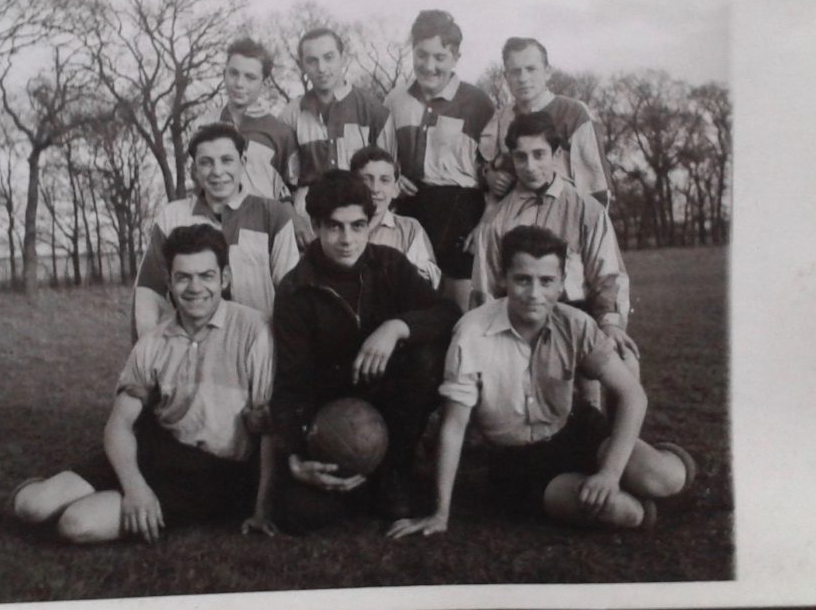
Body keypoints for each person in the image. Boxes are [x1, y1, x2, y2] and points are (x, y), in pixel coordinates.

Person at [388, 225, 695, 538]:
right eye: (523, 280)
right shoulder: (472, 333)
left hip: (576, 431)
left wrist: (610, 472)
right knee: (623, 512)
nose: (535, 294)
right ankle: (637, 504)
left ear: (561, 283)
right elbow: (453, 427)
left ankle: (663, 467)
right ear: (504, 279)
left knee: (663, 478)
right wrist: (440, 514)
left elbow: (632, 395)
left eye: (546, 281)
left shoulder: (575, 323)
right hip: (519, 462)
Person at [10, 224, 278, 543]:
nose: (195, 288)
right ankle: (11, 500)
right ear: (169, 282)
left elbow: (270, 431)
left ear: (224, 279)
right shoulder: (153, 341)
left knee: (77, 524)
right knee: (32, 506)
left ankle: (92, 501)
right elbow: (119, 425)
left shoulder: (255, 331)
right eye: (184, 277)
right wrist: (135, 487)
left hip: (212, 474)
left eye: (206, 276)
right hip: (155, 450)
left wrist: (262, 510)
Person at [269, 170, 461, 531]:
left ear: (370, 223)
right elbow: (291, 384)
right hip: (333, 414)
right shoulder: (295, 290)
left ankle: (394, 469)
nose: (347, 239)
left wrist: (396, 328)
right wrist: (295, 453)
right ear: (315, 225)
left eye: (358, 226)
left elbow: (447, 313)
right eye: (335, 227)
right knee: (298, 515)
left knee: (425, 356)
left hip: (390, 401)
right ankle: (355, 477)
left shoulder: (389, 264)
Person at [470, 112, 635, 362]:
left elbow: (608, 275)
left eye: (539, 154)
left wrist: (610, 323)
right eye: (521, 157)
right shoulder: (497, 220)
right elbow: (485, 289)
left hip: (579, 319)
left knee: (624, 363)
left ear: (556, 155)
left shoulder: (586, 209)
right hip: (518, 326)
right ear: (512, 159)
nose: (530, 166)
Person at [132, 123, 299, 338]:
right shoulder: (172, 216)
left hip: (257, 346)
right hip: (192, 350)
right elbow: (149, 292)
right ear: (195, 169)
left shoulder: (273, 215)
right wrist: (151, 353)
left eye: (227, 160)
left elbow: (291, 295)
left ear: (243, 162)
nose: (217, 172)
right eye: (206, 163)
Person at [384, 10, 495, 311]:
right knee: (412, 299)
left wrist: (485, 222)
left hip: (461, 210)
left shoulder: (478, 103)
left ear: (456, 57)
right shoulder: (395, 100)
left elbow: (495, 174)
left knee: (457, 307)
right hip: (411, 207)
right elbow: (383, 157)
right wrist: (393, 178)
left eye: (440, 57)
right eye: (421, 55)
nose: (429, 66)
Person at [480, 37, 615, 207]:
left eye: (531, 69)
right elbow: (483, 165)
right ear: (506, 77)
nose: (523, 78)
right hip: (513, 217)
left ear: (547, 72)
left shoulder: (573, 112)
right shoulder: (500, 117)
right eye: (515, 71)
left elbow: (596, 185)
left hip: (561, 215)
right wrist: (489, 176)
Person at [278, 27, 395, 221]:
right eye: (312, 61)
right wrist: (294, 220)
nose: (322, 68)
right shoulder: (291, 114)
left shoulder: (374, 112)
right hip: (309, 219)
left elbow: (387, 177)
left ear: (343, 57)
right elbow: (281, 181)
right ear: (301, 65)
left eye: (329, 57)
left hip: (359, 216)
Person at [199, 37, 299, 203]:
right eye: (234, 73)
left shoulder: (281, 134)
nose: (239, 83)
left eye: (250, 77)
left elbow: (292, 193)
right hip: (212, 224)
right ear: (224, 74)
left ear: (265, 83)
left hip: (260, 226)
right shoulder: (202, 126)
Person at [349, 145, 441, 289]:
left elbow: (429, 278)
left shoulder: (409, 228)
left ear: (395, 189)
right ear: (352, 185)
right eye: (367, 180)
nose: (375, 189)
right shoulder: (340, 225)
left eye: (384, 180)